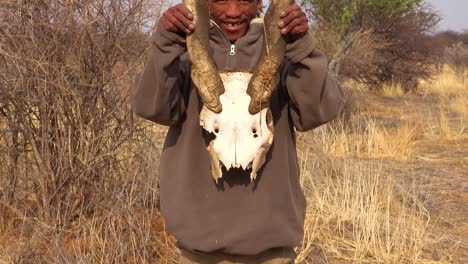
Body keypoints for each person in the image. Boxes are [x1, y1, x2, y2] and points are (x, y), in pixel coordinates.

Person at [132, 0, 344, 263]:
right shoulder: (183, 52)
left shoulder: (285, 48)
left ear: (259, 2)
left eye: (244, 0)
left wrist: (301, 44)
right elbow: (153, 108)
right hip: (197, 250)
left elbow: (319, 112)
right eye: (220, 0)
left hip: (270, 252)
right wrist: (166, 45)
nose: (232, 12)